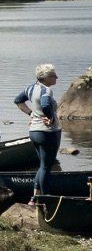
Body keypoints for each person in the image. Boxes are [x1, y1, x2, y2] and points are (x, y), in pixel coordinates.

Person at [14, 64, 62, 205]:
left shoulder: (30, 88)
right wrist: (50, 117)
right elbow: (46, 104)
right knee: (47, 166)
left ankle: (34, 198)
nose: (57, 77)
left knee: (42, 165)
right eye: (54, 75)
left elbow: (18, 101)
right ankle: (45, 199)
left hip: (34, 131)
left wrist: (31, 114)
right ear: (46, 78)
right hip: (48, 132)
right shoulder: (46, 90)